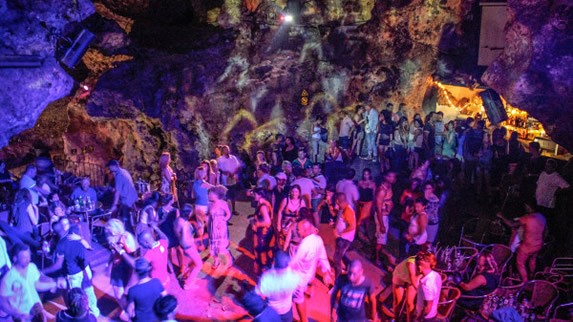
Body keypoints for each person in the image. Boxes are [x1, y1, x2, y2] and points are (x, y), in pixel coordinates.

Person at [43, 224, 100, 318]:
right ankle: (94, 313)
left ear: (54, 233)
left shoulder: (60, 245)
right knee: (89, 290)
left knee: (76, 297)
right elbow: (88, 247)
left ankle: (80, 317)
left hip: (74, 274)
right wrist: (80, 238)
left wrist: (44, 271)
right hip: (85, 268)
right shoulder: (74, 233)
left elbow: (58, 265)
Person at [0, 243, 63, 322]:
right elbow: (2, 304)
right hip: (24, 318)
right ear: (15, 258)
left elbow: (36, 285)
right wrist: (18, 315)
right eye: (24, 257)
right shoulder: (8, 279)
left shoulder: (32, 267)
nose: (29, 259)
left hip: (38, 312)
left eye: (29, 256)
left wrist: (55, 283)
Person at [290, 218, 333, 322]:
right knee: (300, 297)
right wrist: (326, 271)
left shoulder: (303, 246)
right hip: (310, 275)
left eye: (299, 229)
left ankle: (303, 320)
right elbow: (323, 257)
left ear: (305, 231)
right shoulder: (318, 239)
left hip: (299, 279)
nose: (298, 231)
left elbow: (294, 264)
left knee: (298, 300)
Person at [496, 203, 546, 282]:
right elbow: (545, 231)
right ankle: (531, 276)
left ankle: (525, 282)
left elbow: (512, 224)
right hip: (538, 244)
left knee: (520, 263)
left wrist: (502, 216)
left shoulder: (527, 218)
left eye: (526, 207)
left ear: (530, 207)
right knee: (533, 259)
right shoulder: (541, 216)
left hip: (528, 246)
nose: (525, 208)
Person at [257, 250, 303, 322]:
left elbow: (260, 294)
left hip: (272, 310)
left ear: (275, 262)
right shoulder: (294, 276)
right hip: (286, 310)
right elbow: (298, 290)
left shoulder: (267, 277)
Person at [105, 219, 137, 313]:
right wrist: (109, 264)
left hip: (125, 269)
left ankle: (129, 313)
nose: (107, 231)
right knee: (120, 295)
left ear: (115, 230)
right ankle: (128, 311)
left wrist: (121, 250)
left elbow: (133, 258)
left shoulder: (126, 238)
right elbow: (113, 254)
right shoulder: (112, 239)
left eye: (109, 229)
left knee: (122, 295)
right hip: (118, 269)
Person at [126, 258, 166, 322]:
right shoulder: (157, 282)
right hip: (157, 318)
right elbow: (165, 299)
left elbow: (130, 312)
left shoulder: (132, 290)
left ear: (136, 272)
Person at [174, 203, 203, 289]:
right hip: (188, 247)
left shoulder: (178, 220)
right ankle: (187, 284)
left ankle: (185, 275)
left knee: (194, 262)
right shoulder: (185, 225)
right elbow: (185, 239)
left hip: (184, 246)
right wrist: (195, 242)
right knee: (199, 264)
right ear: (189, 213)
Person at [107, 160, 138, 233]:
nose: (109, 169)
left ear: (114, 166)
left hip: (127, 200)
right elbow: (124, 186)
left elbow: (117, 192)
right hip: (133, 197)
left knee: (126, 220)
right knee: (131, 218)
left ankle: (129, 236)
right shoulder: (124, 171)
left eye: (110, 167)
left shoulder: (119, 176)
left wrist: (114, 205)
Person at [375, 171, 397, 268]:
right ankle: (377, 258)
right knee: (381, 239)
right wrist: (381, 224)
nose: (393, 178)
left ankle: (379, 255)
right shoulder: (382, 191)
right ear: (386, 177)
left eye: (394, 176)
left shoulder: (389, 187)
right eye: (391, 176)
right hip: (382, 217)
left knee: (382, 239)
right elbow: (379, 209)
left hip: (385, 215)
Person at [208, 186, 233, 270]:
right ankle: (216, 261)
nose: (209, 195)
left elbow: (228, 214)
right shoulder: (210, 204)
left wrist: (223, 220)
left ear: (215, 195)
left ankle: (230, 259)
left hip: (221, 227)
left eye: (211, 194)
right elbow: (209, 215)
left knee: (221, 246)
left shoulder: (223, 203)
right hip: (213, 227)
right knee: (213, 245)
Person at [333, 193, 356, 277]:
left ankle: (338, 281)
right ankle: (350, 267)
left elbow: (352, 226)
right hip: (343, 239)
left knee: (336, 260)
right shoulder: (345, 209)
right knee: (341, 255)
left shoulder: (347, 211)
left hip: (344, 240)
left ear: (337, 201)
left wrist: (340, 233)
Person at [251, 188, 273, 274]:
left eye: (255, 194)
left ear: (260, 195)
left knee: (262, 254)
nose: (254, 196)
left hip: (263, 234)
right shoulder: (263, 203)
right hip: (265, 233)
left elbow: (267, 222)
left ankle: (263, 276)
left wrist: (256, 224)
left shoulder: (263, 206)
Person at [414, 251, 442, 322]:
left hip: (426, 318)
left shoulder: (426, 285)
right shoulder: (436, 275)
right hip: (433, 313)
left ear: (420, 266)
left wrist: (418, 318)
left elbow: (428, 307)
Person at [392, 256, 419, 321]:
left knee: (409, 303)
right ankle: (396, 319)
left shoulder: (426, 264)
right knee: (398, 301)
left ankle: (409, 320)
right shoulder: (411, 262)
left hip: (413, 279)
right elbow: (412, 277)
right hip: (400, 276)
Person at [217, 145, 241, 215]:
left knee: (233, 194)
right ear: (222, 151)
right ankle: (225, 210)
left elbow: (238, 166)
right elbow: (219, 169)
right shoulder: (220, 159)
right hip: (225, 179)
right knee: (225, 195)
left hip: (233, 177)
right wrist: (227, 173)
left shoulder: (233, 158)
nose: (226, 151)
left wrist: (233, 173)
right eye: (225, 150)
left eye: (227, 149)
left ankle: (233, 210)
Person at [192, 166, 212, 250]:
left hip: (197, 205)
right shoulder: (204, 184)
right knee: (208, 225)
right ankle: (209, 243)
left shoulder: (195, 183)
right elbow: (214, 188)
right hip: (204, 205)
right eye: (204, 172)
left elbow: (192, 195)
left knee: (200, 225)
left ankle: (200, 243)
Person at [357, 168, 376, 232]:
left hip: (369, 203)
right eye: (364, 174)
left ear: (370, 174)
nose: (366, 176)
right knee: (360, 217)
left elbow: (374, 195)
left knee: (366, 218)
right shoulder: (360, 182)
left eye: (367, 174)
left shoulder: (373, 184)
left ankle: (366, 231)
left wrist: (373, 205)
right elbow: (357, 193)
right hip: (361, 202)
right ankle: (360, 232)